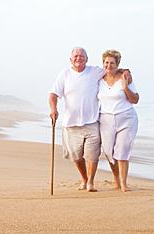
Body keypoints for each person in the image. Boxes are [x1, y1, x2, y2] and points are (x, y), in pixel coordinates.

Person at [49, 47, 103, 192]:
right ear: (70, 59)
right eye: (76, 56)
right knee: (76, 157)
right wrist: (53, 109)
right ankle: (84, 178)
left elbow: (112, 70)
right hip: (71, 124)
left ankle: (90, 182)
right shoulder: (65, 74)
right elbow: (53, 94)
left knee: (92, 155)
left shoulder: (95, 72)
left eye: (82, 56)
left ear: (87, 59)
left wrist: (125, 72)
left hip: (91, 122)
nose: (79, 58)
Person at [98, 50, 139, 192]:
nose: (109, 65)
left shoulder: (125, 77)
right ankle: (116, 179)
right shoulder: (98, 79)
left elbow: (135, 100)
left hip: (126, 117)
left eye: (112, 63)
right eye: (106, 62)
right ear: (103, 64)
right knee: (109, 151)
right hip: (106, 118)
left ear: (117, 65)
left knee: (122, 151)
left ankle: (123, 184)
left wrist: (125, 87)